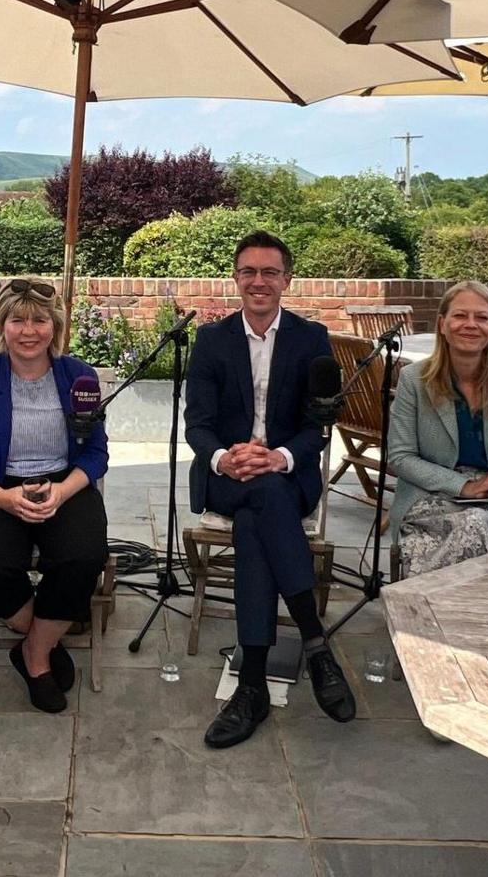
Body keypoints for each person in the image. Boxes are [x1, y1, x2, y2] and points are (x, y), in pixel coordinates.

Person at [186, 230, 356, 749]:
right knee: (261, 502)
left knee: (262, 514)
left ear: (286, 280)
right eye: (248, 272)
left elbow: (317, 425)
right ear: (236, 279)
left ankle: (253, 684)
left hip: (285, 477)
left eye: (269, 272)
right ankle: (314, 641)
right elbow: (198, 423)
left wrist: (279, 458)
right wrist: (224, 457)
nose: (258, 281)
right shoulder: (213, 340)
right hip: (228, 477)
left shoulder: (311, 339)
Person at [0, 278, 112, 713]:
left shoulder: (79, 377)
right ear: (3, 324)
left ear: (54, 327)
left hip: (63, 483)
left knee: (82, 556)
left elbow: (95, 453)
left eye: (39, 320)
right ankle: (47, 636)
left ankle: (33, 657)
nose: (29, 330)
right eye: (18, 319)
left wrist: (64, 489)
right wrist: (3, 498)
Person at [384, 280, 488, 576]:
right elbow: (401, 456)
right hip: (433, 493)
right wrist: (466, 487)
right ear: (442, 324)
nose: (470, 324)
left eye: (482, 317)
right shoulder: (414, 379)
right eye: (460, 316)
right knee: (475, 525)